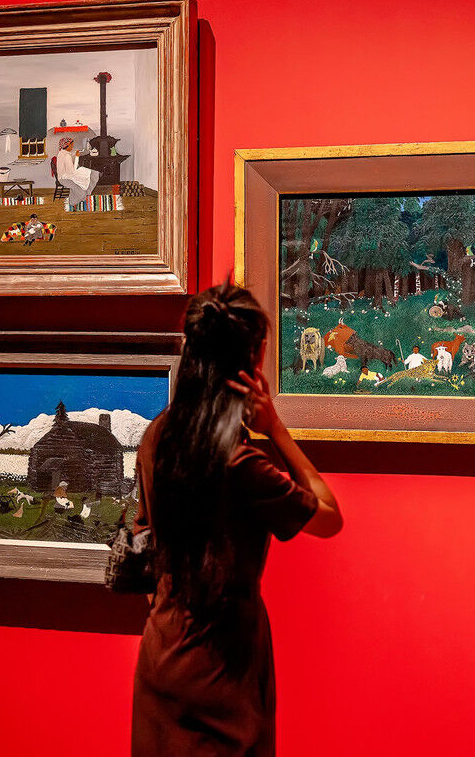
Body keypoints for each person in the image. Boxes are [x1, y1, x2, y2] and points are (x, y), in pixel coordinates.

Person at [132, 281, 343, 756]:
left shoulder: (157, 435)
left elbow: (146, 540)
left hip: (162, 650)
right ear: (253, 360)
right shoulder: (238, 459)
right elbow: (329, 515)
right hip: (222, 662)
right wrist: (277, 429)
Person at [54, 137, 99, 205]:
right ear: (67, 146)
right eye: (71, 145)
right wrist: (77, 157)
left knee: (88, 175)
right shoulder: (66, 156)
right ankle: (76, 201)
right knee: (91, 175)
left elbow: (69, 167)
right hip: (65, 178)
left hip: (63, 176)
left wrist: (74, 155)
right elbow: (72, 171)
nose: (72, 147)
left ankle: (82, 198)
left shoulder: (61, 153)